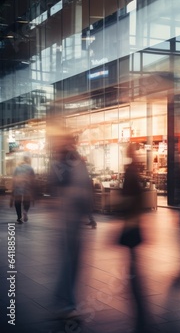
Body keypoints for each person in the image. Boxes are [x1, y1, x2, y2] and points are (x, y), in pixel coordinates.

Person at [49, 131, 94, 319]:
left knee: (72, 259)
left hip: (70, 214)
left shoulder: (62, 159)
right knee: (70, 259)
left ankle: (65, 300)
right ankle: (65, 301)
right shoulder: (67, 159)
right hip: (70, 214)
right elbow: (80, 184)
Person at [118, 143, 151, 332]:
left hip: (132, 217)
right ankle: (133, 270)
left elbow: (129, 196)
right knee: (132, 247)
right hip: (133, 217)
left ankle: (132, 270)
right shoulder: (132, 171)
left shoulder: (130, 171)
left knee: (131, 247)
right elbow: (133, 196)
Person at [11, 154, 36, 223]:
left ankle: (19, 217)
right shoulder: (30, 168)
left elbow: (14, 179)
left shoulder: (17, 168)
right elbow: (33, 179)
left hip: (17, 187)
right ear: (29, 160)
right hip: (27, 187)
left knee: (17, 202)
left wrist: (12, 190)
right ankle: (25, 211)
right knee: (27, 201)